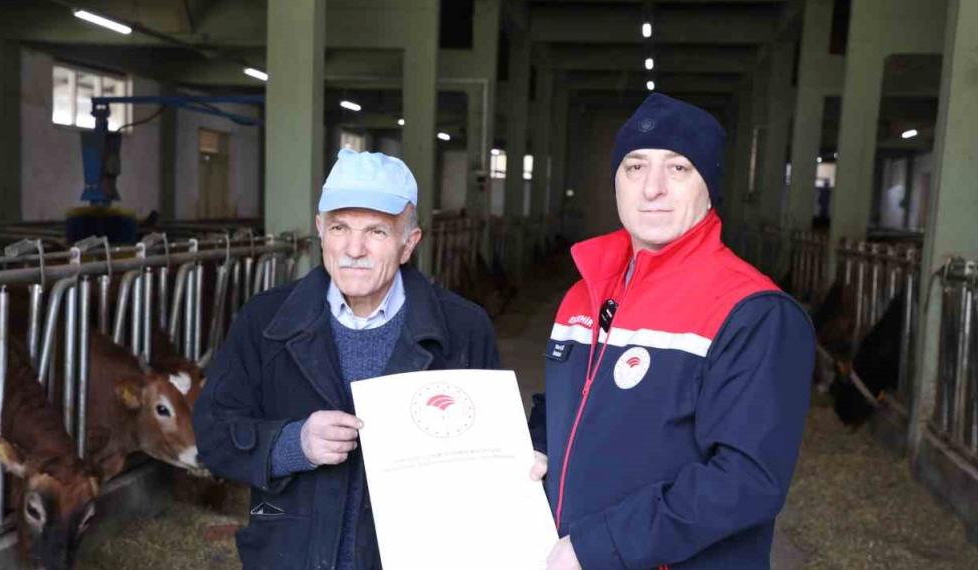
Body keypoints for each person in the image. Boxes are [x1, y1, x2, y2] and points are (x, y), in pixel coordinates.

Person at [527, 93, 814, 569]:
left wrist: (601, 546)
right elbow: (569, 401)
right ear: (616, 182)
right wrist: (540, 439)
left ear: (709, 187)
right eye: (635, 167)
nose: (652, 188)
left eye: (678, 168)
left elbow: (746, 479)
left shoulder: (753, 311)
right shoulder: (584, 294)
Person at [194, 149, 500, 569]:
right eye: (340, 227)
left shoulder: (464, 330)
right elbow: (212, 434)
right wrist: (292, 443)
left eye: (376, 231)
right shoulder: (266, 321)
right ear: (320, 229)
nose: (353, 249)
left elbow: (487, 461)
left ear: (408, 243)